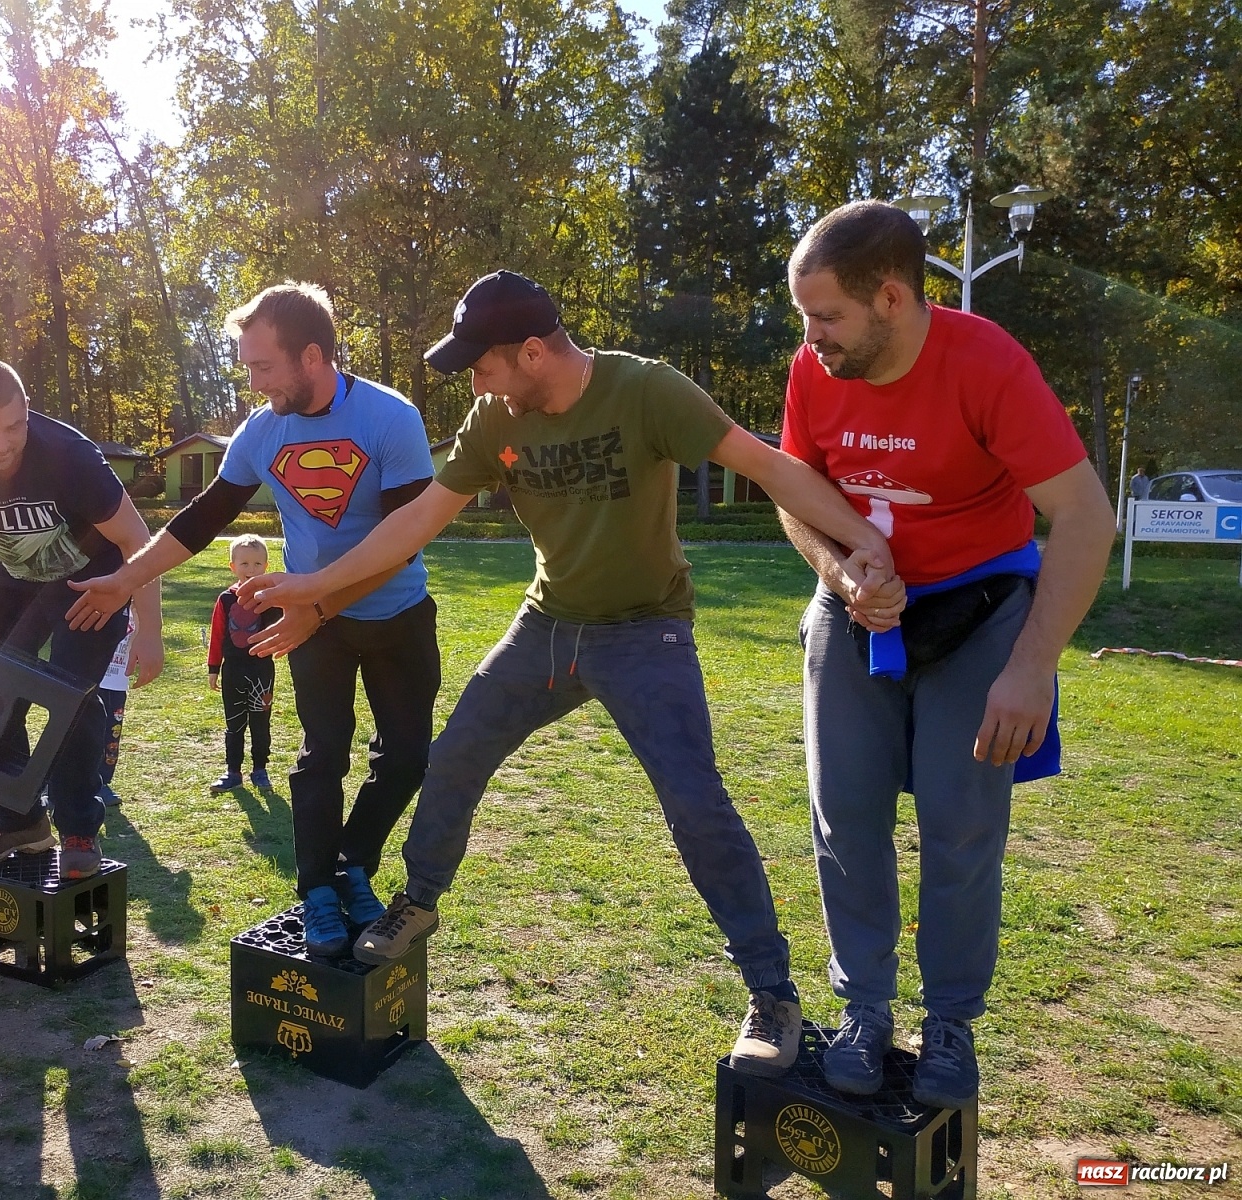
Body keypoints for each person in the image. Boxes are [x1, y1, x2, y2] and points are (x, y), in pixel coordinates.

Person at [241, 270, 896, 1076]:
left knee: (697, 806)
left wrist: (864, 541)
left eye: (483, 368)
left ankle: (771, 992)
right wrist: (315, 587)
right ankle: (418, 901)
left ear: (533, 352)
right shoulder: (495, 419)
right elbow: (416, 520)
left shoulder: (646, 391)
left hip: (645, 632)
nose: (476, 387)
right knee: (454, 756)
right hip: (548, 626)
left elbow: (769, 467)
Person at [778, 201, 1115, 1107]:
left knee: (961, 828)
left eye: (827, 317)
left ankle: (951, 1024)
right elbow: (794, 494)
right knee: (843, 819)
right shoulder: (816, 370)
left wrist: (1032, 666)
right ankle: (866, 1012)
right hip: (858, 611)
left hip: (979, 611)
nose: (812, 341)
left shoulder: (987, 363)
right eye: (805, 320)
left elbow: (1086, 518)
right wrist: (841, 574)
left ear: (891, 297)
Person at [65, 283, 440, 958]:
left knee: (409, 757)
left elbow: (404, 539)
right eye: (248, 366)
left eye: (263, 366)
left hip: (395, 615)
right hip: (311, 623)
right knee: (323, 754)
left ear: (313, 358)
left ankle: (353, 862)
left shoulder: (391, 418)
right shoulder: (262, 430)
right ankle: (319, 891)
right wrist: (128, 576)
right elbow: (202, 519)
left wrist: (319, 602)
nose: (253, 381)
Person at [0, 358, 165, 879]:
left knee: (70, 696)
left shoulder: (70, 457)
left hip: (92, 580)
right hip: (14, 574)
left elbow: (137, 541)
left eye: (13, 427)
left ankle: (77, 829)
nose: (1, 444)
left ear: (28, 411)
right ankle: (17, 821)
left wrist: (150, 629)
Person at [207, 534, 282, 794]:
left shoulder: (270, 599)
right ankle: (233, 771)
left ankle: (260, 769)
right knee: (234, 723)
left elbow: (281, 630)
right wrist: (213, 668)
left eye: (257, 564)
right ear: (233, 566)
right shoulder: (226, 600)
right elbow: (217, 635)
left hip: (261, 671)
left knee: (261, 722)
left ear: (266, 566)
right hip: (233, 671)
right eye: (245, 564)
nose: (251, 570)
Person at [95, 609, 136, 807]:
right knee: (80, 731)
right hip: (93, 680)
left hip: (117, 684)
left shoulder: (142, 613)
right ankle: (56, 783)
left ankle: (103, 781)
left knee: (112, 734)